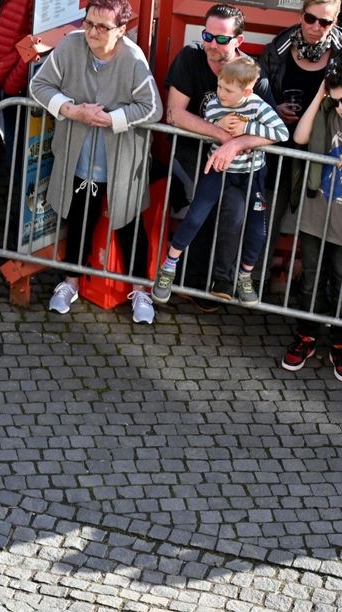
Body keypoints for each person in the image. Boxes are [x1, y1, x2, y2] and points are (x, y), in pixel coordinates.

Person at [28, 0, 162, 323]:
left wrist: (112, 119)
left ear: (121, 29)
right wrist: (72, 110)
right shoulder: (71, 45)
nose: (92, 32)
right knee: (78, 220)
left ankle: (142, 291)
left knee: (130, 225)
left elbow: (152, 107)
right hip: (79, 158)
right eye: (89, 23)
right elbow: (38, 85)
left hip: (121, 162)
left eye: (103, 26)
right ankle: (71, 282)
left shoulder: (132, 58)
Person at [164, 4, 277, 308]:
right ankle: (192, 280)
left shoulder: (253, 75)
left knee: (235, 211)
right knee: (205, 205)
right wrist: (225, 137)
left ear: (239, 40)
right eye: (207, 36)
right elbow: (174, 114)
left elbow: (272, 130)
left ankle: (221, 282)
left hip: (239, 163)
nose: (212, 45)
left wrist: (236, 146)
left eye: (222, 39)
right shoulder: (191, 57)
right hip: (194, 153)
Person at [259, 0, 342, 270]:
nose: (316, 27)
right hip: (281, 146)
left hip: (328, 149)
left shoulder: (341, 53)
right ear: (300, 14)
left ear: (336, 21)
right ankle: (255, 281)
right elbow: (258, 92)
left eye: (325, 22)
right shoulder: (279, 48)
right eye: (310, 18)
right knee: (267, 218)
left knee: (327, 228)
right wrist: (275, 109)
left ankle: (320, 300)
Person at [279, 73, 342, 380]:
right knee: (311, 277)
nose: (341, 107)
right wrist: (320, 96)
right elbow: (300, 138)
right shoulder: (327, 112)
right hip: (317, 213)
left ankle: (339, 340)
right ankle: (307, 335)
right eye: (338, 100)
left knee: (341, 279)